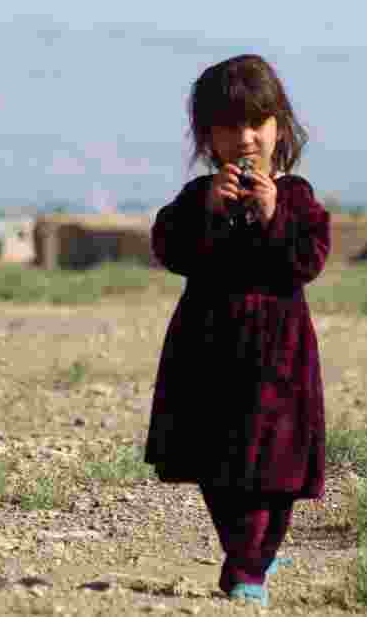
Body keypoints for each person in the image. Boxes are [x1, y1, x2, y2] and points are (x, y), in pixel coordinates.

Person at [144, 54, 331, 608]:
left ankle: (251, 565)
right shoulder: (197, 197)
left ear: (280, 127)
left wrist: (274, 216)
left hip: (280, 356)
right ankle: (248, 559)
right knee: (217, 465)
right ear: (208, 135)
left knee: (278, 470)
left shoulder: (297, 197)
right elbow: (169, 248)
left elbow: (308, 261)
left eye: (256, 122)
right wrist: (208, 210)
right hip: (206, 350)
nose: (245, 138)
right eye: (229, 125)